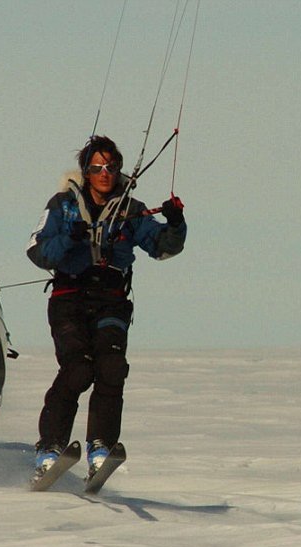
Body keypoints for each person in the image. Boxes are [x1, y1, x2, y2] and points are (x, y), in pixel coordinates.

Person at [25, 135, 187, 481]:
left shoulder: (131, 210)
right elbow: (37, 252)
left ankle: (101, 447)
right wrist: (70, 236)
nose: (105, 173)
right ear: (85, 171)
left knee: (111, 367)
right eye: (97, 167)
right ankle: (49, 448)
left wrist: (175, 224)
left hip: (111, 300)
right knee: (78, 369)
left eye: (111, 167)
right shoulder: (63, 205)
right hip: (69, 298)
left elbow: (162, 249)